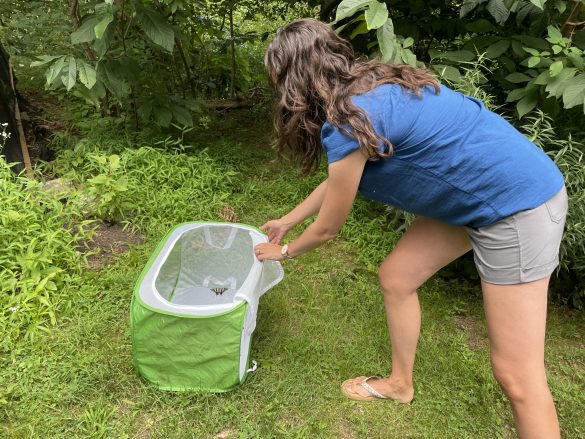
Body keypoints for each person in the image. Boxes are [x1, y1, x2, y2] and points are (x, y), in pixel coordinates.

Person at [253, 18, 567, 439]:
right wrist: (290, 219)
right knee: (397, 277)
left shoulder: (350, 118)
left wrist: (286, 251)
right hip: (478, 197)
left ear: (293, 81)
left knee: (516, 376)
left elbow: (328, 230)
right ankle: (400, 385)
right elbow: (342, 178)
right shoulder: (366, 92)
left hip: (516, 206)